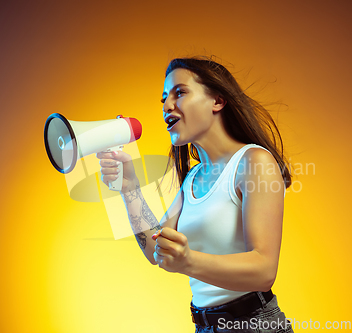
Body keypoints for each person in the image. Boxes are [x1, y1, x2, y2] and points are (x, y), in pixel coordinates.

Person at [97, 56, 294, 333]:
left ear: (217, 101)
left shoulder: (253, 161)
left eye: (180, 92)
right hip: (205, 327)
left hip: (253, 325)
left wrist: (189, 260)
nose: (167, 106)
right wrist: (129, 188)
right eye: (164, 98)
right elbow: (156, 251)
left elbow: (264, 271)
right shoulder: (193, 178)